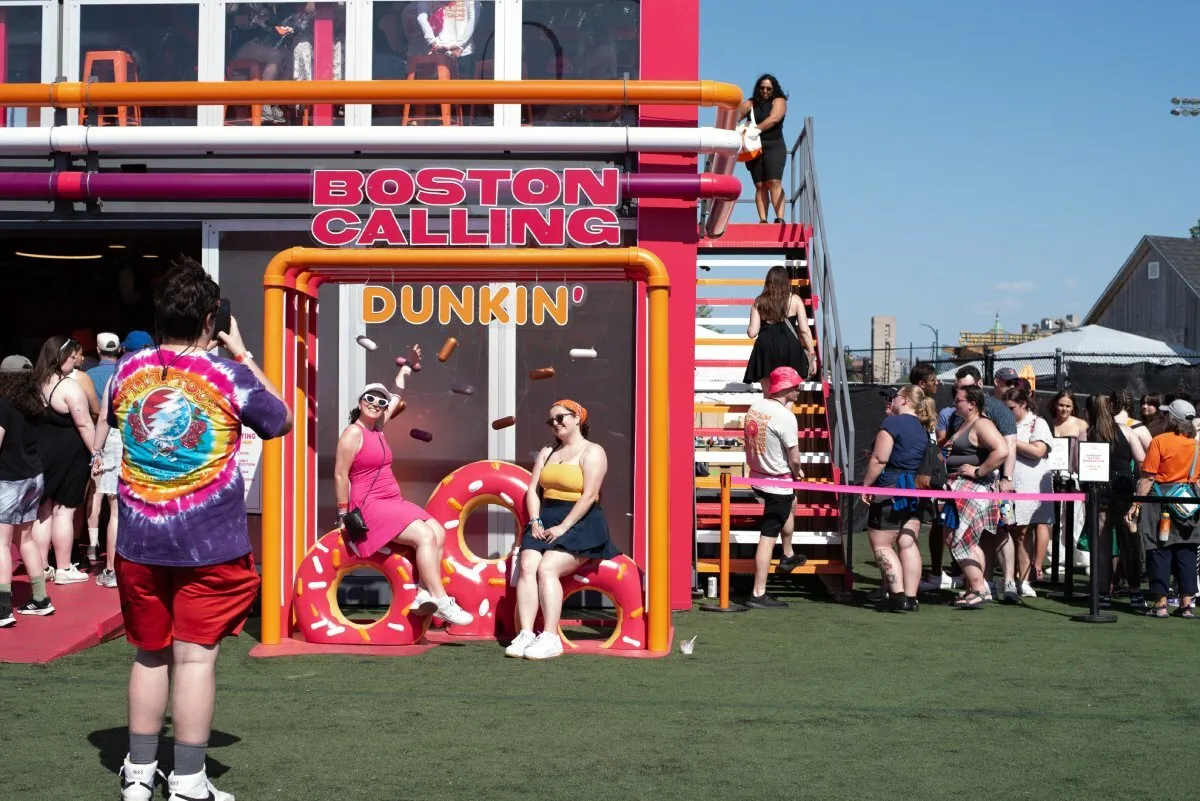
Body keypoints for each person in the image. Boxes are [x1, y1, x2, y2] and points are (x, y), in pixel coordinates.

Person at [108, 257, 293, 801]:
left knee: (148, 653)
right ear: (214, 316)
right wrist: (241, 351)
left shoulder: (127, 368)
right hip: (208, 543)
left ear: (160, 316)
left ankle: (139, 774)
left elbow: (123, 421)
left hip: (140, 538)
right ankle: (188, 780)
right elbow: (278, 418)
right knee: (193, 658)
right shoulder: (230, 375)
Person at [333, 350, 473, 631]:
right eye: (370, 398)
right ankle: (441, 599)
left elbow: (396, 396)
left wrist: (405, 368)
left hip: (391, 500)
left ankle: (423, 592)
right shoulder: (353, 433)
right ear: (360, 402)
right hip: (369, 505)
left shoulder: (379, 427)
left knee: (438, 531)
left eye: (380, 401)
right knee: (423, 536)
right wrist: (342, 514)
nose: (376, 403)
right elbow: (339, 474)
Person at [507, 399, 620, 660]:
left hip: (581, 520)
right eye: (551, 420)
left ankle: (550, 637)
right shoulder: (548, 450)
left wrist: (563, 527)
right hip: (546, 517)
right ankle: (525, 633)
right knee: (527, 565)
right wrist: (535, 520)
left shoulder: (593, 451)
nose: (555, 423)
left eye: (560, 417)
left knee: (547, 567)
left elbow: (590, 495)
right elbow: (533, 490)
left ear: (578, 418)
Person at [861, 385, 936, 612]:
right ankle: (911, 598)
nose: (892, 400)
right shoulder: (923, 428)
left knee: (882, 544)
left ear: (903, 400)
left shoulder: (893, 423)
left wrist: (866, 485)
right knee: (907, 541)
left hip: (891, 488)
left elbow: (880, 459)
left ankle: (897, 596)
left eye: (895, 397)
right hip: (915, 491)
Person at [31, 336, 96, 586]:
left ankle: (42, 566)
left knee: (43, 511)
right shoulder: (69, 387)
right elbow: (84, 423)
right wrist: (96, 453)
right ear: (60, 359)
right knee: (64, 512)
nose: (75, 364)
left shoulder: (36, 385)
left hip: (40, 452)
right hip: (69, 456)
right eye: (71, 358)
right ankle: (64, 567)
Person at [742, 366, 808, 609]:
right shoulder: (786, 417)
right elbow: (795, 456)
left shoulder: (758, 407)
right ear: (786, 388)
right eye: (796, 387)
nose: (800, 390)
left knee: (791, 504)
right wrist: (797, 471)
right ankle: (758, 592)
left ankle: (788, 555)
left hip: (758, 475)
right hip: (777, 481)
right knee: (768, 537)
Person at [1127, 399, 1200, 618]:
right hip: (1189, 501)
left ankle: (1160, 605)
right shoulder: (1196, 445)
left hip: (1159, 501)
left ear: (1172, 418)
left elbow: (1148, 477)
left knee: (1159, 550)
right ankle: (1186, 605)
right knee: (1187, 552)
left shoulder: (1160, 441)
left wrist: (1136, 504)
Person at [944, 385, 1010, 609]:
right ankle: (977, 588)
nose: (955, 403)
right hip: (960, 490)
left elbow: (1001, 450)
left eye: (959, 400)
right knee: (966, 539)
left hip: (974, 489)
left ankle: (979, 589)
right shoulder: (964, 423)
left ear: (972, 403)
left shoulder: (982, 423)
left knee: (959, 539)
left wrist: (978, 471)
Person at [0, 358, 51, 625]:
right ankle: (40, 599)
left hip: (9, 479)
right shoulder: (34, 405)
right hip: (34, 476)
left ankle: (3, 608)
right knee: (26, 539)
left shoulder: (3, 406)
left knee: (1, 543)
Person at [1087, 393, 1145, 605]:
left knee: (1102, 543)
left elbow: (1076, 464)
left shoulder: (1088, 432)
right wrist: (1138, 481)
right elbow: (1142, 460)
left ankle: (1103, 592)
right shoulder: (1128, 431)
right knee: (1128, 540)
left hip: (1099, 490)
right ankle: (1135, 591)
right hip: (1124, 489)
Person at [1003, 387, 1054, 594]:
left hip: (1030, 486)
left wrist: (1012, 441)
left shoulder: (1038, 423)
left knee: (1024, 531)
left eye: (1011, 408)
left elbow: (1038, 451)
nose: (1008, 412)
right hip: (1007, 485)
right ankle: (1009, 578)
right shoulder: (1003, 423)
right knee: (1007, 531)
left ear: (1023, 404)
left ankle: (1023, 580)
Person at [743, 265, 817, 387]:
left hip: (765, 348)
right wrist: (812, 355)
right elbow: (804, 330)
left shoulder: (759, 301)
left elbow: (752, 333)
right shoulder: (795, 299)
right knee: (789, 393)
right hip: (790, 347)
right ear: (785, 281)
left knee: (769, 395)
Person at [85, 332, 122, 568]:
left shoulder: (87, 376)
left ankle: (92, 545)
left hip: (97, 435)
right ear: (119, 350)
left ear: (97, 351)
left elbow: (97, 414)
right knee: (116, 503)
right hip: (120, 436)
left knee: (95, 492)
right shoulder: (123, 375)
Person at [738, 73, 788, 223]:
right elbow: (734, 116)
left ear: (774, 89)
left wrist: (756, 129)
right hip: (753, 148)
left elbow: (774, 118)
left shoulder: (779, 101)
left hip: (774, 146)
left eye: (768, 88)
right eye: (762, 88)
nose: (765, 91)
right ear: (758, 89)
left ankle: (779, 218)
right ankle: (763, 220)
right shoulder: (751, 103)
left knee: (774, 182)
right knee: (760, 185)